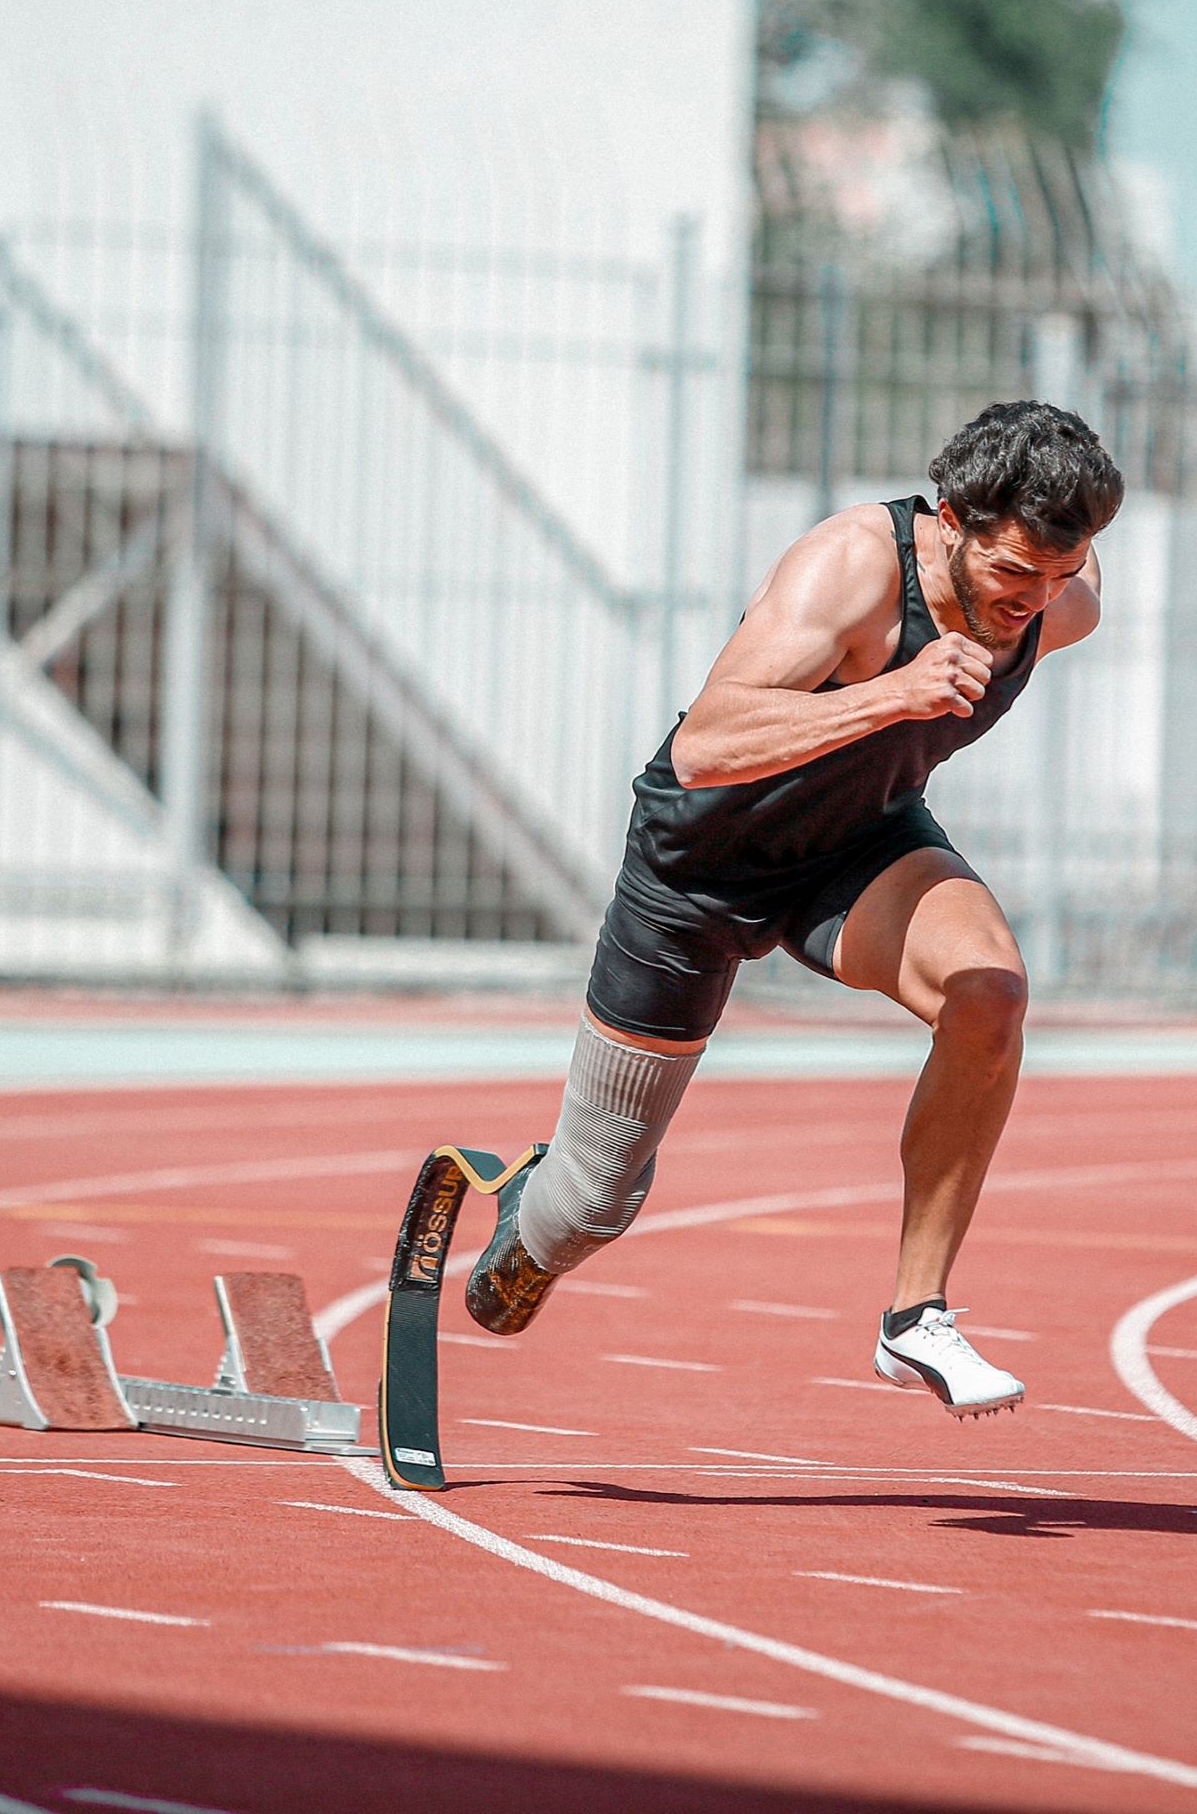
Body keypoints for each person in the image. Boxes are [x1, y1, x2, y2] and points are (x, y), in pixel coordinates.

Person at [465, 400, 1122, 1417]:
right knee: (594, 1200)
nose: (1033, 603)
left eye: (1057, 576)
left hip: (854, 848)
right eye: (1011, 575)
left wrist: (1063, 538)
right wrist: (891, 694)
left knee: (989, 991)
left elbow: (1063, 577)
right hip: (695, 870)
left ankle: (915, 1319)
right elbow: (704, 744)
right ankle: (535, 1212)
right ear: (950, 521)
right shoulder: (851, 565)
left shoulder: (1059, 601)